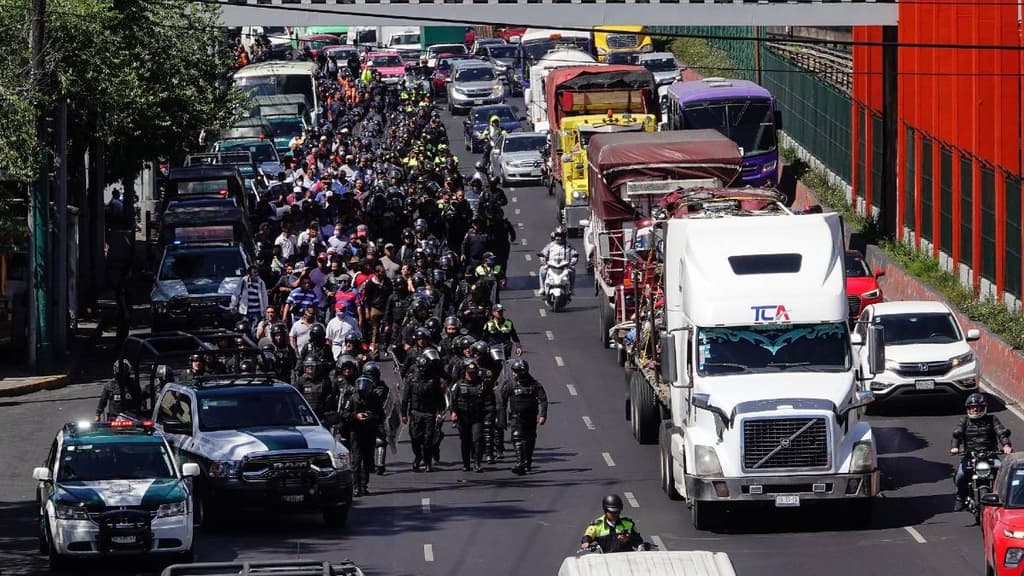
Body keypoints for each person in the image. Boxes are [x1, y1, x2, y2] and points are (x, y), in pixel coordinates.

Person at [951, 393, 1012, 511]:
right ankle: (960, 497)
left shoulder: (992, 419)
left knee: (1004, 475)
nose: (974, 409)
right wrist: (955, 447)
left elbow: (1001, 432)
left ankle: (1005, 499)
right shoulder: (964, 420)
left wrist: (1006, 445)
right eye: (972, 407)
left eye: (977, 406)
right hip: (970, 456)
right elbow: (957, 434)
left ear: (983, 407)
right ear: (968, 408)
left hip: (991, 455)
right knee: (960, 476)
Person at [400, 348, 447, 472]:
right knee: (415, 438)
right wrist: (403, 414)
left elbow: (439, 397)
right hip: (415, 413)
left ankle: (427, 462)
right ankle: (418, 457)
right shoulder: (411, 380)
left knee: (428, 439)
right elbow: (405, 398)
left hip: (429, 413)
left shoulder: (434, 380)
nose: (422, 371)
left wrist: (441, 412)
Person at [500, 358, 547, 475]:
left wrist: (543, 415)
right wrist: (502, 419)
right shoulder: (510, 384)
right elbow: (502, 402)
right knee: (517, 438)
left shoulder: (535, 384)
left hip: (531, 418)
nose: (513, 374)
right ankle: (520, 463)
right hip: (516, 417)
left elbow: (543, 400)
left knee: (529, 440)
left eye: (516, 372)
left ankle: (527, 463)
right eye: (513, 371)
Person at [341, 376, 384, 495]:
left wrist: (371, 417)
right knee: (356, 460)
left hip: (369, 432)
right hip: (356, 432)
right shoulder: (352, 399)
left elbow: (381, 415)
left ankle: (364, 486)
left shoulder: (375, 399)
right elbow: (344, 415)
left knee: (367, 460)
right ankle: (356, 486)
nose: (363, 393)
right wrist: (356, 416)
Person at [450, 360, 495, 472]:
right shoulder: (459, 384)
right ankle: (466, 464)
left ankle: (477, 463)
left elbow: (489, 400)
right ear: (465, 373)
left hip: (477, 416)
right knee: (466, 440)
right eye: (469, 373)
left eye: (473, 373)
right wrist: (453, 412)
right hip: (463, 417)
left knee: (477, 439)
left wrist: (489, 415)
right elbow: (453, 400)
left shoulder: (483, 384)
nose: (471, 375)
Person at [579, 495, 644, 553]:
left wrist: (628, 539)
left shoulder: (628, 523)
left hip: (627, 560)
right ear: (605, 510)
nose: (616, 514)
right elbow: (587, 536)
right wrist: (586, 542)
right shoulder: (596, 525)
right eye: (612, 512)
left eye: (618, 512)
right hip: (607, 561)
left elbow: (639, 541)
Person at [539, 226, 579, 295]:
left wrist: (573, 261)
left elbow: (575, 254)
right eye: (557, 236)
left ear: (564, 236)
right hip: (552, 266)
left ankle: (571, 289)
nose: (558, 238)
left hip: (565, 266)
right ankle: (542, 288)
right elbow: (543, 253)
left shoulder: (569, 246)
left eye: (560, 236)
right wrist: (543, 259)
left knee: (572, 271)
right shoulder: (550, 245)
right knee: (542, 270)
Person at [296, 357, 335, 423]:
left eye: (312, 366)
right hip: (305, 417)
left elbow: (329, 400)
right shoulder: (301, 381)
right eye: (307, 366)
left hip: (320, 417)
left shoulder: (324, 381)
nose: (309, 368)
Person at [234, 264, 269, 334]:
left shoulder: (260, 282)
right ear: (249, 274)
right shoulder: (243, 281)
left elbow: (264, 297)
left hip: (257, 312)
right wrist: (233, 305)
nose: (256, 274)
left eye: (257, 272)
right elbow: (236, 294)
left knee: (254, 330)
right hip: (246, 312)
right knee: (245, 329)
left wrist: (265, 311)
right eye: (254, 273)